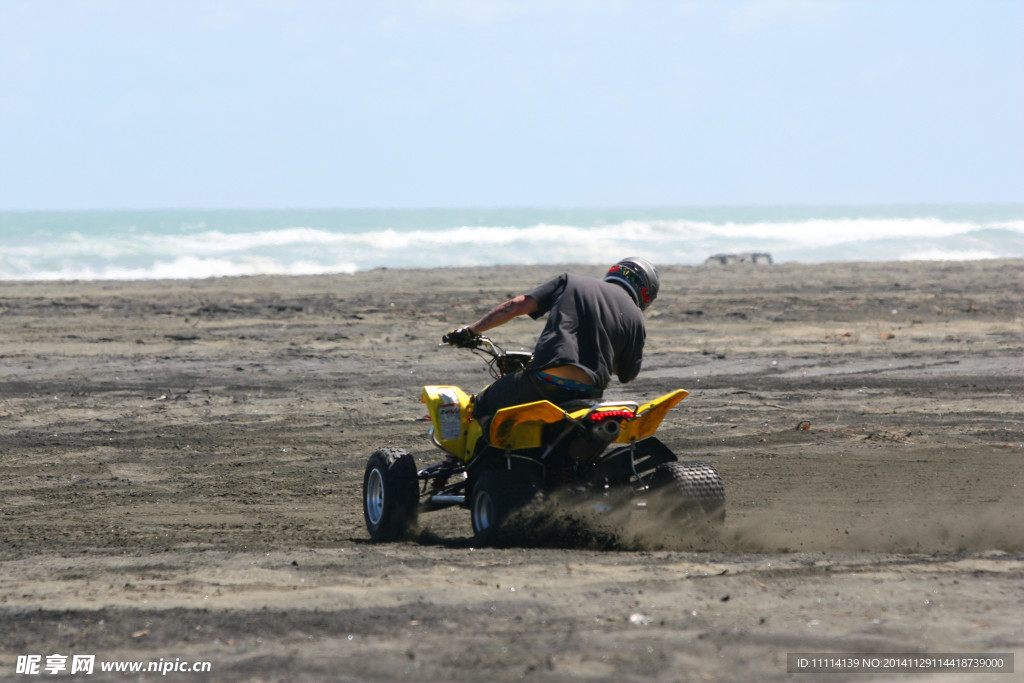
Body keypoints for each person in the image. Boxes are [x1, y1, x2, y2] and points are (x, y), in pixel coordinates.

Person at [444, 257, 659, 429]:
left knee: (482, 405)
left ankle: (494, 458)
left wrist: (470, 331)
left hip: (546, 380)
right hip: (589, 393)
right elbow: (626, 374)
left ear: (614, 271)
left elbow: (517, 305)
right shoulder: (637, 317)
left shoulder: (570, 281)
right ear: (646, 294)